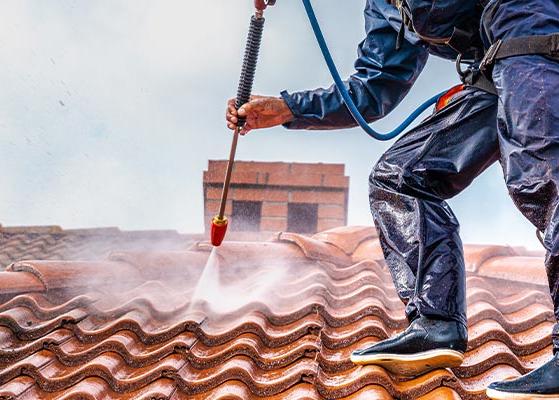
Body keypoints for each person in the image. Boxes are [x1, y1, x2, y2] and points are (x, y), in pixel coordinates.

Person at [226, 0, 559, 397]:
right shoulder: (386, 6)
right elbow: (374, 87)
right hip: (494, 66)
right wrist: (288, 109)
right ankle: (436, 324)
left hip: (534, 30)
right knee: (400, 177)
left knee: (543, 174)